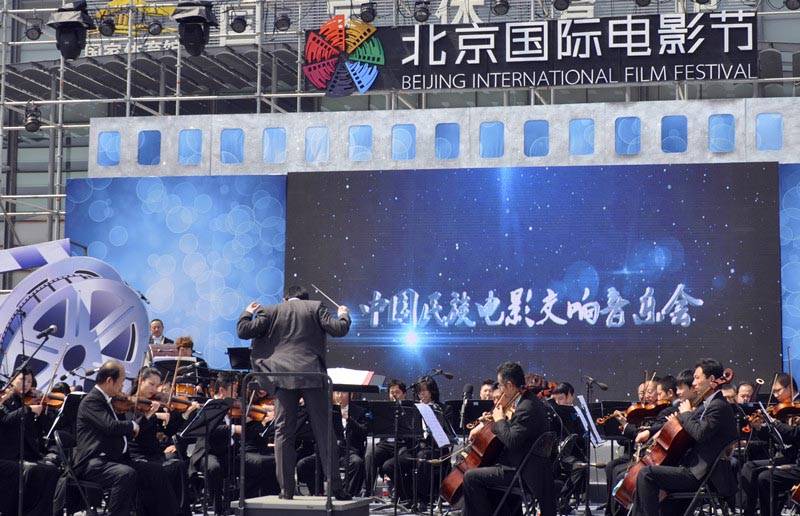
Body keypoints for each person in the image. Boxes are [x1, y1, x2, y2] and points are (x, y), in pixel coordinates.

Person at [237, 284, 351, 500]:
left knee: (283, 433)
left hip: (282, 377)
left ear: (285, 297)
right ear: (305, 298)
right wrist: (344, 315)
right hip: (312, 375)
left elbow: (243, 331)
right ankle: (336, 488)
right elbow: (339, 329)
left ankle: (286, 490)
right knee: (325, 432)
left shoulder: (270, 310)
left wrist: (248, 312)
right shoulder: (316, 307)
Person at [631, 358, 738, 516]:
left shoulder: (718, 406)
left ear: (712, 380)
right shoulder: (705, 405)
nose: (694, 383)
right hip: (692, 469)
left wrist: (687, 414)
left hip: (702, 475)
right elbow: (686, 428)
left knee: (647, 474)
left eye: (697, 378)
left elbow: (700, 434)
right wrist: (660, 429)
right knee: (647, 476)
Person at [69, 360, 175, 516]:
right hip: (94, 462)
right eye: (122, 381)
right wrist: (132, 425)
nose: (122, 385)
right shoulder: (92, 401)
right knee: (126, 474)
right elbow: (110, 426)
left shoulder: (108, 400)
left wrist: (141, 421)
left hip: (114, 459)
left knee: (155, 470)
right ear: (110, 380)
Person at [462, 361, 555, 516]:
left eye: (500, 385)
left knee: (470, 477)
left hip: (522, 471)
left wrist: (499, 420)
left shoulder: (527, 407)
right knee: (481, 470)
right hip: (522, 464)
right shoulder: (526, 400)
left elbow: (512, 441)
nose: (499, 389)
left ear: (510, 385)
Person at [738, 372, 800, 516]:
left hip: (792, 458)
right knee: (749, 467)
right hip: (785, 455)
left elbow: (794, 435)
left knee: (764, 477)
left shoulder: (795, 407)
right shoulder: (784, 409)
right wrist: (762, 428)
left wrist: (774, 423)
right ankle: (748, 510)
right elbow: (779, 437)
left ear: (789, 387)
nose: (776, 396)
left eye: (778, 390)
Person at [0, 368, 59, 516]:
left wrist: (40, 414)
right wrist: (28, 409)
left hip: (28, 452)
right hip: (9, 453)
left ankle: (41, 512)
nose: (26, 384)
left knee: (51, 469)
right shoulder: (7, 399)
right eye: (22, 380)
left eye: (30, 382)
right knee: (32, 470)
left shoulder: (28, 401)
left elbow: (42, 429)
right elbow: (6, 420)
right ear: (12, 380)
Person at [364, 379, 407, 497]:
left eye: (397, 392)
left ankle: (400, 494)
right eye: (391, 392)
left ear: (404, 394)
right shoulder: (383, 409)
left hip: (402, 444)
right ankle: (368, 492)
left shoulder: (409, 409)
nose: (394, 395)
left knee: (394, 461)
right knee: (370, 456)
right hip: (386, 444)